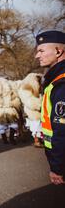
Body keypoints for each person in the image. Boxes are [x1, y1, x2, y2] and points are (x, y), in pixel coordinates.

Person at [35, 30, 65, 185]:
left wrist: (58, 167)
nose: (37, 56)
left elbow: (62, 130)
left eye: (41, 51)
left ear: (58, 51)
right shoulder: (55, 80)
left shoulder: (61, 83)